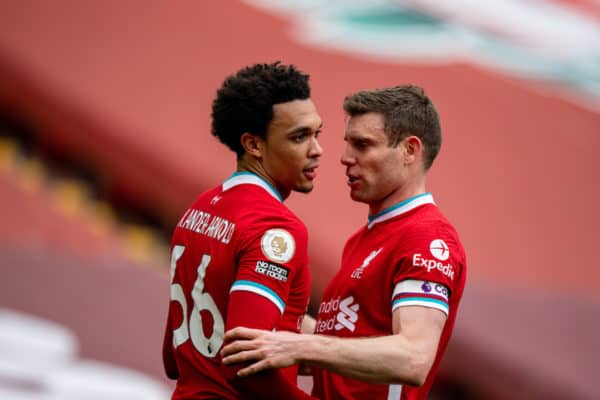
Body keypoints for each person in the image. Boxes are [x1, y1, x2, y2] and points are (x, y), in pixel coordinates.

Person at [221, 85, 467, 400]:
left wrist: (299, 346)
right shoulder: (364, 238)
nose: (344, 158)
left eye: (363, 145)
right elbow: (340, 343)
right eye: (348, 144)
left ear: (410, 150)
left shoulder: (427, 237)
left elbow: (414, 357)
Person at [162, 62, 323, 399]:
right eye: (299, 137)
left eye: (316, 134)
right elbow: (243, 362)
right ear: (253, 144)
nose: (316, 150)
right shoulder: (275, 227)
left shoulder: (199, 209)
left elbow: (173, 357)